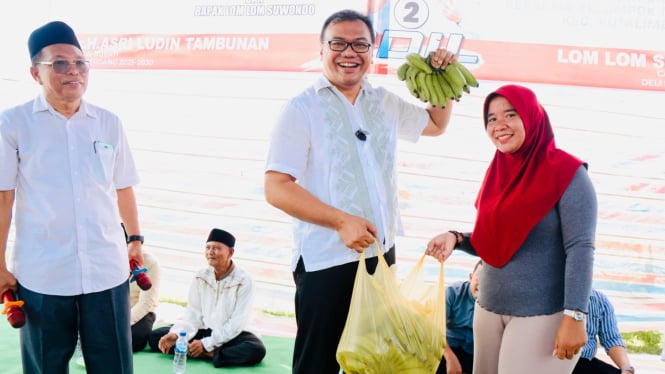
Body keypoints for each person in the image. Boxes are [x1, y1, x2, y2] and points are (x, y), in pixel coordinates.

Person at [263, 8, 458, 374]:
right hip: (325, 262)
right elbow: (276, 187)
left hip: (380, 254)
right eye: (337, 43)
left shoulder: (383, 101)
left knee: (374, 361)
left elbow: (435, 124)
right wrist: (340, 221)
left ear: (373, 49)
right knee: (317, 364)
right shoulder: (300, 108)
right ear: (321, 49)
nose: (348, 52)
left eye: (359, 44)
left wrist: (442, 80)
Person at [0, 21, 143, 373]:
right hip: (44, 272)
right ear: (36, 73)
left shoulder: (108, 122)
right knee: (46, 365)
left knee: (114, 365)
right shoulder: (13, 124)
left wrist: (136, 239)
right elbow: (4, 197)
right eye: (59, 64)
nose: (73, 71)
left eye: (80, 63)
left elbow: (123, 185)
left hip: (105, 269)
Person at [426, 84, 597, 373]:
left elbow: (581, 248)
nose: (499, 125)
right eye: (491, 118)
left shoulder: (569, 173)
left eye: (510, 114)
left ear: (532, 116)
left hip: (540, 315)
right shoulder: (499, 170)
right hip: (488, 309)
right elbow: (495, 241)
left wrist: (575, 316)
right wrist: (456, 239)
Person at [148, 228, 266, 368]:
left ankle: (206, 353)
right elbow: (193, 313)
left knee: (256, 349)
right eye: (208, 247)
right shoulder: (201, 276)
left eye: (216, 248)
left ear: (231, 252)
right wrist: (176, 335)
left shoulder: (244, 281)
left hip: (234, 335)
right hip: (204, 329)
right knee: (156, 337)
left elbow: (236, 324)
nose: (211, 252)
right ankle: (211, 353)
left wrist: (206, 344)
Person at [573, 288, 635, 374]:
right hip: (554, 360)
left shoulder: (600, 299)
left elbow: (612, 338)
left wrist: (627, 368)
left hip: (585, 362)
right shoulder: (551, 296)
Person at [436, 260, 482, 374]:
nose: (483, 283)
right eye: (479, 277)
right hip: (447, 348)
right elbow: (436, 329)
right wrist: (450, 358)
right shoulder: (453, 292)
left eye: (488, 280)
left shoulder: (495, 304)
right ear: (471, 277)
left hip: (474, 353)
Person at [130, 250, 161, 353]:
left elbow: (146, 303)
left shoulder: (150, 262)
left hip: (142, 312)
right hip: (113, 310)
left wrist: (121, 323)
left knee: (133, 339)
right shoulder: (108, 259)